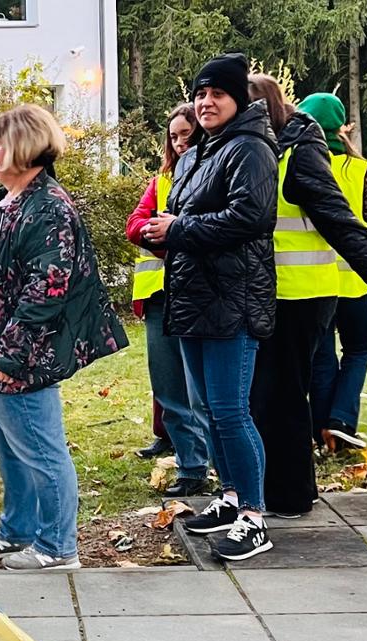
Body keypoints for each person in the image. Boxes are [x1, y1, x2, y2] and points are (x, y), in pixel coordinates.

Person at [0, 104, 128, 571]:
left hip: (20, 357)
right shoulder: (13, 200)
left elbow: (47, 289)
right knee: (10, 448)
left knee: (40, 450)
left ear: (21, 147)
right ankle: (18, 531)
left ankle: (58, 548)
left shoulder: (48, 207)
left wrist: (9, 356)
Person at [139, 54, 277, 561]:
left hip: (232, 302)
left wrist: (176, 229)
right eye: (200, 94)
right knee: (209, 413)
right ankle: (230, 497)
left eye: (216, 93)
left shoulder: (249, 148)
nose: (205, 102)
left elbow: (249, 217)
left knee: (230, 412)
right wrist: (167, 226)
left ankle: (254, 517)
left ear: (238, 98)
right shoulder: (202, 153)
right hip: (195, 301)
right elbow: (191, 215)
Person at [245, 74, 367, 519]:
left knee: (284, 395)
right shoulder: (267, 152)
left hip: (302, 295)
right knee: (274, 394)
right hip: (276, 295)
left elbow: (338, 217)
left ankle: (290, 496)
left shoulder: (296, 154)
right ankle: (287, 490)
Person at [298, 92, 367, 453]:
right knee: (358, 347)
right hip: (352, 281)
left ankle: (320, 430)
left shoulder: (296, 164)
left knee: (321, 358)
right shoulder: (357, 170)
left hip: (314, 283)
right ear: (340, 129)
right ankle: (339, 421)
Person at [124, 104, 212, 496]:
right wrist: (161, 234)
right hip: (160, 298)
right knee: (169, 388)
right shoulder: (161, 180)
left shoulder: (215, 171)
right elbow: (135, 224)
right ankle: (191, 469)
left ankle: (221, 471)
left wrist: (174, 234)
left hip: (200, 296)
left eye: (186, 135)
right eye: (173, 136)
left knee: (204, 393)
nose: (179, 143)